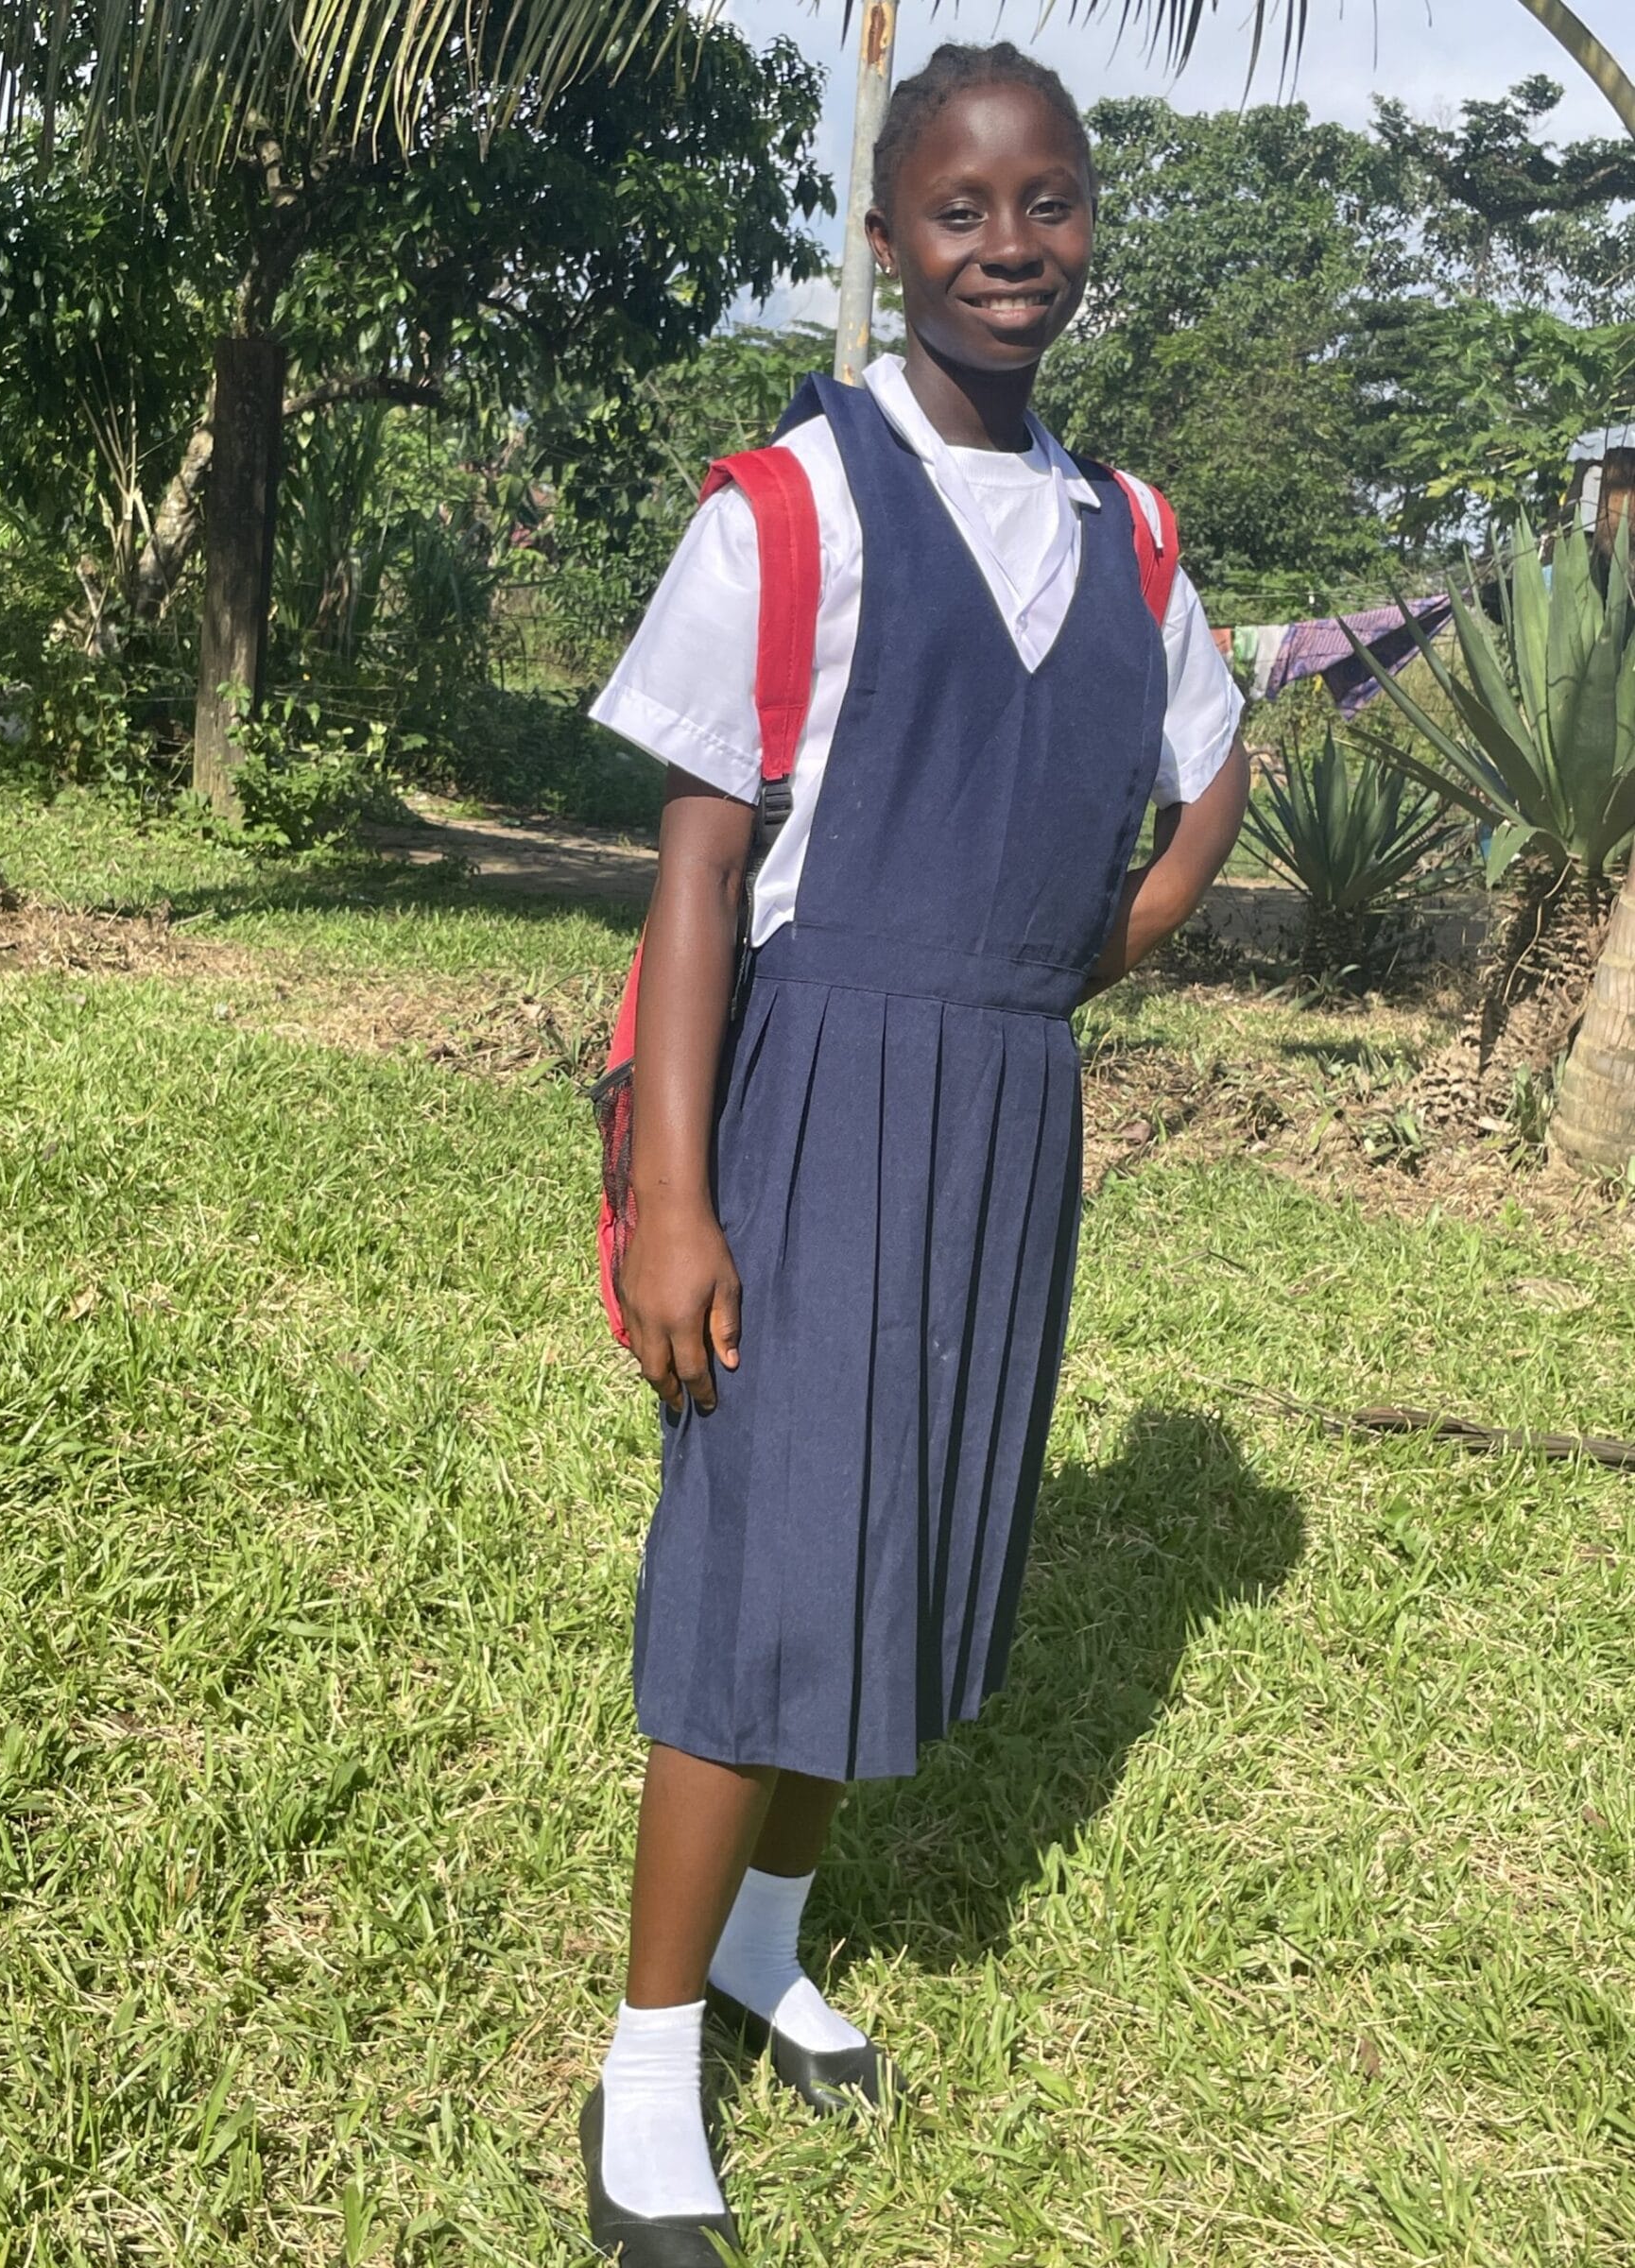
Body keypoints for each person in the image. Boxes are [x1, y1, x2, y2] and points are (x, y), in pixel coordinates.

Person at [581, 41, 1250, 2261]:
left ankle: (771, 1949)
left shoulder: (1126, 532)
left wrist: (1098, 947)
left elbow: (1213, 761)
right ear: (888, 241)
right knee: (765, 1568)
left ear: (1087, 226)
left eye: (1046, 202)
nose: (1009, 246)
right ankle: (646, 2061)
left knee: (908, 1540)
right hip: (815, 1091)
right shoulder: (792, 509)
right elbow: (698, 872)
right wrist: (673, 1201)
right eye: (960, 210)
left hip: (1006, 1107)